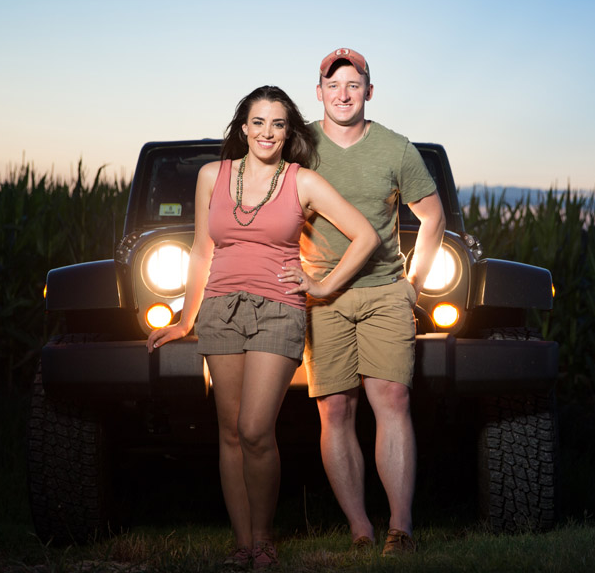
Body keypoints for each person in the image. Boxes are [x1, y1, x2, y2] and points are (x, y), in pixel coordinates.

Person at [147, 85, 379, 570]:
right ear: (243, 128)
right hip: (219, 310)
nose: (267, 132)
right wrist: (185, 318)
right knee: (229, 432)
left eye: (277, 123)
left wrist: (320, 285)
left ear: (288, 131)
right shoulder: (213, 175)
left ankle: (265, 537)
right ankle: (244, 544)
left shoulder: (302, 181)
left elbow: (366, 235)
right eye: (258, 122)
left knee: (255, 428)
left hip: (278, 309)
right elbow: (200, 250)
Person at [300, 48, 446, 556]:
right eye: (333, 85)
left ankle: (400, 529)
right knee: (335, 409)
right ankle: (360, 529)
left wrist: (414, 287)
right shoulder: (299, 145)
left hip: (385, 290)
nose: (343, 94)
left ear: (369, 91)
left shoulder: (396, 148)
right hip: (322, 295)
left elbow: (433, 218)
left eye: (354, 85)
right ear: (318, 92)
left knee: (393, 398)